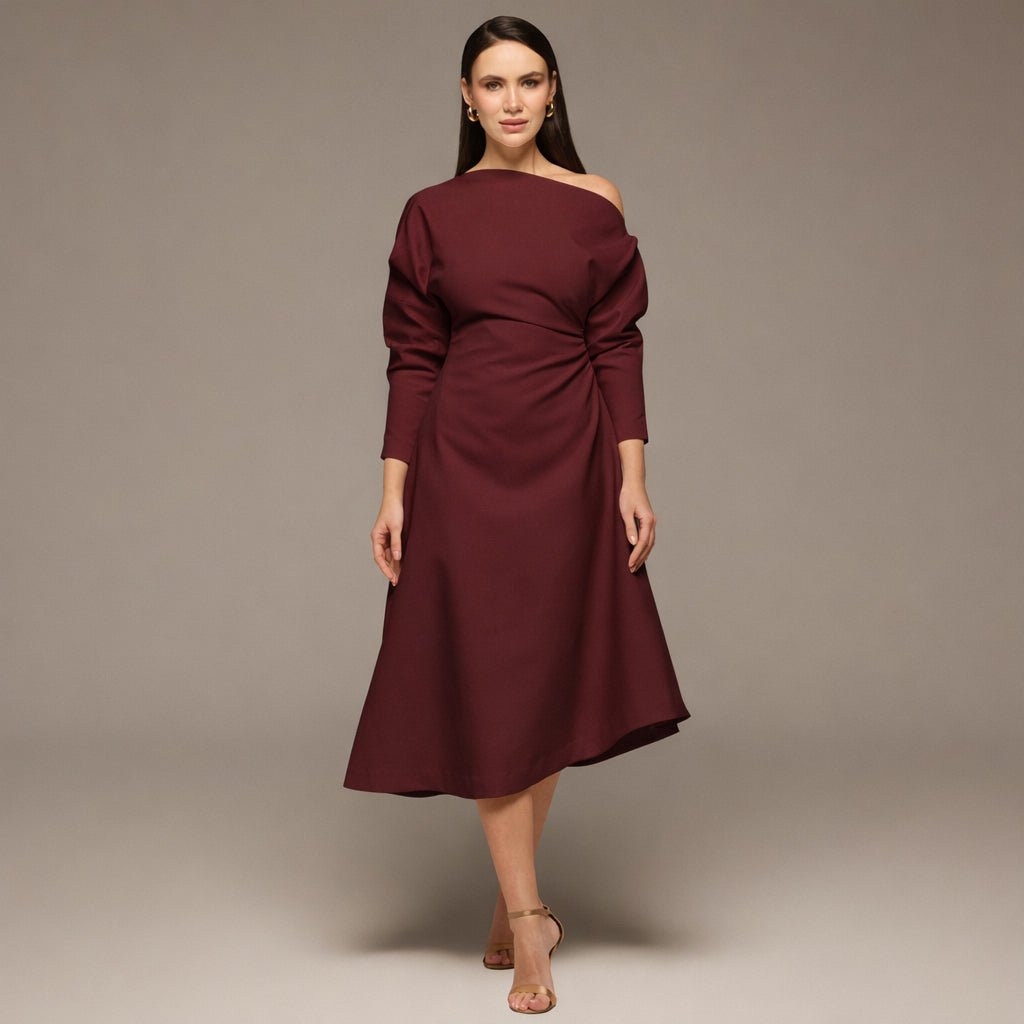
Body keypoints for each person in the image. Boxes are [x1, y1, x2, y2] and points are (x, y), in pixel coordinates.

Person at [343, 15, 691, 1015]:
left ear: (553, 91)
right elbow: (414, 357)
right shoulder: (429, 213)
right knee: (494, 679)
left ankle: (510, 894)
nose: (511, 101)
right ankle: (532, 918)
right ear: (465, 97)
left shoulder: (594, 202)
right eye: (491, 84)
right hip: (462, 466)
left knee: (544, 674)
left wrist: (632, 476)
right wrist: (393, 490)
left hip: (571, 460)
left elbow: (616, 343)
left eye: (528, 81)